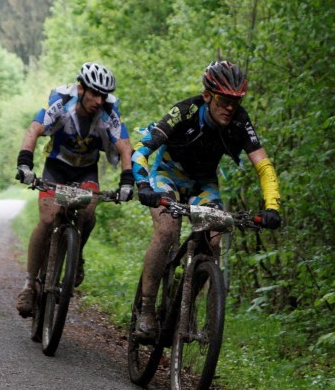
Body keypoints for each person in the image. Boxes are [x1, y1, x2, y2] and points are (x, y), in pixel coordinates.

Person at [131, 60, 282, 338]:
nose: (230, 108)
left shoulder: (239, 120)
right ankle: (147, 309)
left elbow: (264, 166)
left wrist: (272, 206)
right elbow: (142, 149)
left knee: (213, 239)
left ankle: (186, 300)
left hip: (203, 184)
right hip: (168, 175)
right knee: (166, 231)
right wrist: (142, 185)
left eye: (236, 102)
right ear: (207, 96)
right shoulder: (184, 111)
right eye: (224, 100)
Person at [14, 62, 135, 317]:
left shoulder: (109, 112)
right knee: (47, 220)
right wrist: (25, 164)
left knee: (89, 213)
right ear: (81, 89)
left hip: (85, 172)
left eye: (103, 96)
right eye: (94, 94)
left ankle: (76, 255)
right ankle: (29, 283)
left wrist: (127, 181)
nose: (99, 101)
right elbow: (34, 129)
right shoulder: (62, 101)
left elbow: (125, 146)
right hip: (56, 169)